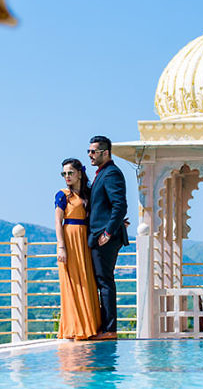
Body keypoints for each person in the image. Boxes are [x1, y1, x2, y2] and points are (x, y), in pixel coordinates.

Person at [87, 135, 129, 340]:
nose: (90, 155)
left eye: (93, 151)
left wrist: (108, 232)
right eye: (89, 151)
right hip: (98, 235)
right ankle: (104, 327)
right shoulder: (102, 173)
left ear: (106, 152)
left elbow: (120, 205)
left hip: (105, 237)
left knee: (105, 282)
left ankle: (110, 329)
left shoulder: (111, 173)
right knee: (101, 281)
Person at [54, 158, 101, 340]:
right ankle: (74, 327)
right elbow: (58, 222)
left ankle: (89, 326)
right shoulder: (62, 195)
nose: (67, 176)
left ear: (79, 173)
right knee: (72, 282)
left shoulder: (88, 194)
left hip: (85, 239)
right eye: (64, 173)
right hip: (69, 239)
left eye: (70, 173)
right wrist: (61, 247)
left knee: (87, 280)